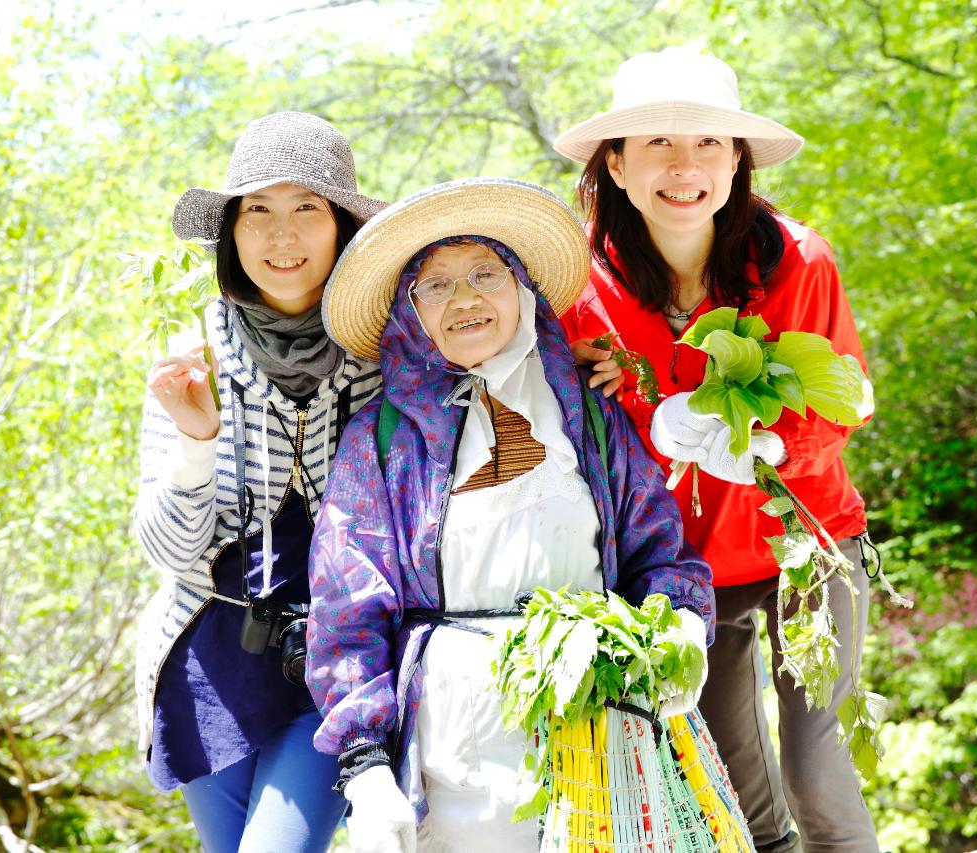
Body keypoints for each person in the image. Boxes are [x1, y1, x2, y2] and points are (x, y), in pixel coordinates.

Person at [304, 178, 717, 853]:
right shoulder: (381, 440)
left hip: (603, 722)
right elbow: (347, 608)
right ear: (410, 312)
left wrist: (684, 624)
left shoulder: (588, 409)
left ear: (521, 288)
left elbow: (659, 549)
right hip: (455, 747)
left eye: (484, 273)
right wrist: (365, 766)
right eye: (434, 285)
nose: (464, 298)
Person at [554, 48, 880, 853]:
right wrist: (644, 412)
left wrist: (766, 444)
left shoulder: (797, 261)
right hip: (685, 569)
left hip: (806, 540)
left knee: (819, 774)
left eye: (707, 143)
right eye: (657, 144)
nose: (684, 166)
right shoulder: (580, 286)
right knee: (734, 792)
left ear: (737, 160)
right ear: (617, 166)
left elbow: (839, 403)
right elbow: (573, 435)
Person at [132, 111, 387, 852]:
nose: (283, 237)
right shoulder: (194, 355)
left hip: (340, 657)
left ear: (341, 225)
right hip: (211, 655)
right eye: (258, 211)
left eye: (307, 209)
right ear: (232, 234)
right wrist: (196, 438)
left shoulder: (385, 355)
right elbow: (170, 554)